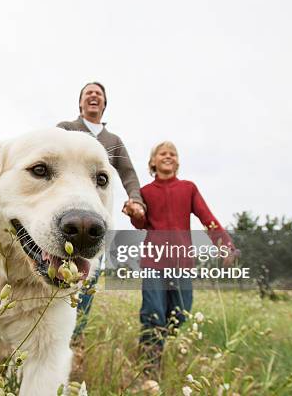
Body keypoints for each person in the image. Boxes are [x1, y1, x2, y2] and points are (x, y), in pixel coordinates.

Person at [131, 141, 237, 373]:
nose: (168, 156)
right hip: (154, 263)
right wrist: (134, 212)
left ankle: (154, 341)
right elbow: (140, 224)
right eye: (162, 153)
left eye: (173, 153)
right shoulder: (146, 192)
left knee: (179, 314)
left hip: (181, 263)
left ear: (177, 161)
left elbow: (207, 217)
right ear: (153, 162)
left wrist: (225, 244)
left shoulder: (188, 188)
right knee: (154, 312)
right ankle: (149, 366)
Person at [57, 82, 146, 339]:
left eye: (99, 94)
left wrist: (136, 199)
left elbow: (128, 172)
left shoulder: (113, 141)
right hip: (65, 215)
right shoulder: (66, 129)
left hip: (97, 218)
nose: (94, 96)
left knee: (87, 276)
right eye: (88, 93)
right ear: (81, 103)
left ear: (104, 105)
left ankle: (77, 336)